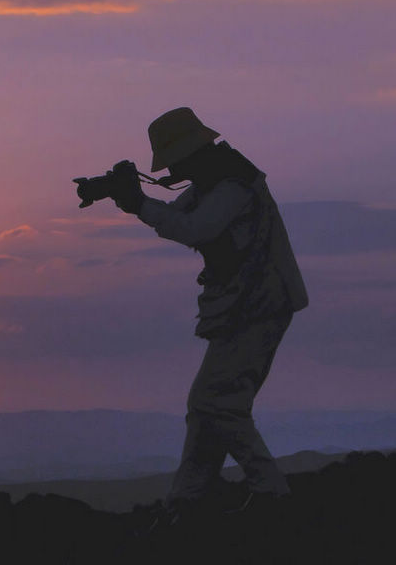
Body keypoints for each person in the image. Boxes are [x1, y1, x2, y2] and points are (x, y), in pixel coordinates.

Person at [109, 107, 308, 522]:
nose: (173, 168)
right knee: (207, 407)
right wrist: (130, 199)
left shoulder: (231, 184)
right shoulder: (216, 179)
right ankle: (186, 502)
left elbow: (195, 229)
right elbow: (182, 218)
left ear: (188, 154)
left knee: (217, 403)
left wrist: (138, 204)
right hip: (247, 305)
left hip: (260, 305)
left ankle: (271, 493)